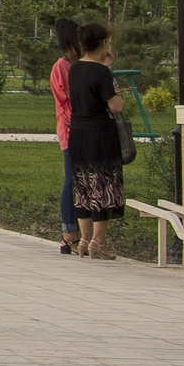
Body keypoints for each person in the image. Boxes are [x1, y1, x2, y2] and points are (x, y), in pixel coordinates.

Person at [69, 21, 125, 259]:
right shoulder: (103, 73)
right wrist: (111, 75)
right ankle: (98, 242)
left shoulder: (74, 68)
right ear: (103, 43)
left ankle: (83, 239)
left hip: (78, 133)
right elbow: (116, 105)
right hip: (99, 133)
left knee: (82, 184)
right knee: (102, 185)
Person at [49, 17, 82, 254]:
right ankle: (69, 232)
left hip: (87, 129)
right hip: (71, 130)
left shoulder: (84, 64)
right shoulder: (61, 67)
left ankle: (84, 232)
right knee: (71, 180)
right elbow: (70, 97)